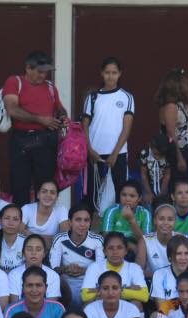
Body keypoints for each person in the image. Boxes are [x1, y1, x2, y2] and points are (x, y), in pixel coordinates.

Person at [3, 51, 67, 206]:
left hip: (46, 141)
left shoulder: (51, 87)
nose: (43, 75)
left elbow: (60, 108)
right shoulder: (15, 81)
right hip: (22, 140)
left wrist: (63, 117)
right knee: (20, 187)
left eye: (46, 72)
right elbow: (12, 109)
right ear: (28, 68)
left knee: (45, 188)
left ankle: (43, 226)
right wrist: (41, 119)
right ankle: (20, 227)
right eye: (39, 71)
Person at [83, 56, 135, 210]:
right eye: (107, 72)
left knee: (121, 195)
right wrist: (90, 150)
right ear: (101, 73)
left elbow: (126, 128)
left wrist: (114, 154)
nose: (110, 76)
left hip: (118, 154)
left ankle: (118, 230)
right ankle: (92, 230)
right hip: (94, 155)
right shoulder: (92, 97)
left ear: (120, 74)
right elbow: (84, 126)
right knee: (92, 196)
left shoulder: (127, 97)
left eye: (114, 72)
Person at [50, 204, 104, 307]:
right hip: (65, 284)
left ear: (90, 222)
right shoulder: (59, 239)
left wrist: (84, 271)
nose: (82, 224)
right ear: (70, 222)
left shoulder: (97, 240)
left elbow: (100, 268)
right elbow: (54, 269)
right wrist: (66, 269)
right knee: (55, 281)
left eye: (86, 220)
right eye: (78, 220)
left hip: (90, 281)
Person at [157, 68, 188, 188]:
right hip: (176, 153)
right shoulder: (170, 106)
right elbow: (170, 133)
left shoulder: (180, 104)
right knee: (182, 185)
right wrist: (179, 157)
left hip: (186, 151)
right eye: (185, 83)